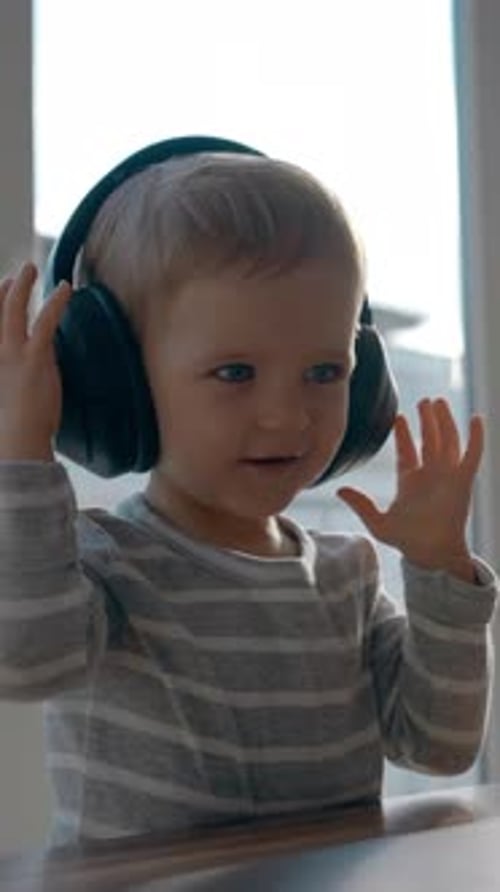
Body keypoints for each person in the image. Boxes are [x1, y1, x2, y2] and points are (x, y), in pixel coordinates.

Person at [0, 140, 497, 847]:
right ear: (121, 391)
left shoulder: (347, 578)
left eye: (325, 373)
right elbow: (24, 660)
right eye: (235, 373)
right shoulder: (104, 562)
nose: (287, 416)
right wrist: (21, 452)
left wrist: (441, 565)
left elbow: (438, 746)